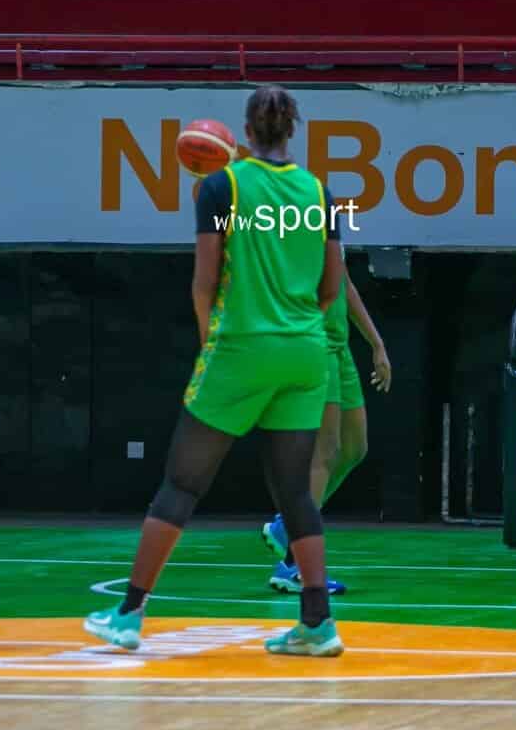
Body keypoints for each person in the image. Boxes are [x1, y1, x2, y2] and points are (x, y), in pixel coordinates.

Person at [85, 86, 346, 656]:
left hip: (241, 347)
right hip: (305, 352)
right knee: (296, 493)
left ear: (246, 132)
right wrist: (293, 325)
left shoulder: (221, 186)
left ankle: (128, 614)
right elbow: (332, 288)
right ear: (292, 129)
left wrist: (213, 344)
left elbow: (204, 281)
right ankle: (318, 624)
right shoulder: (319, 193)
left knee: (181, 484)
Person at [260, 245, 391, 594]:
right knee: (325, 452)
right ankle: (298, 565)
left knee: (354, 447)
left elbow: (344, 281)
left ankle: (287, 526)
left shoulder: (325, 214)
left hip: (340, 346)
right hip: (312, 342)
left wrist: (376, 342)